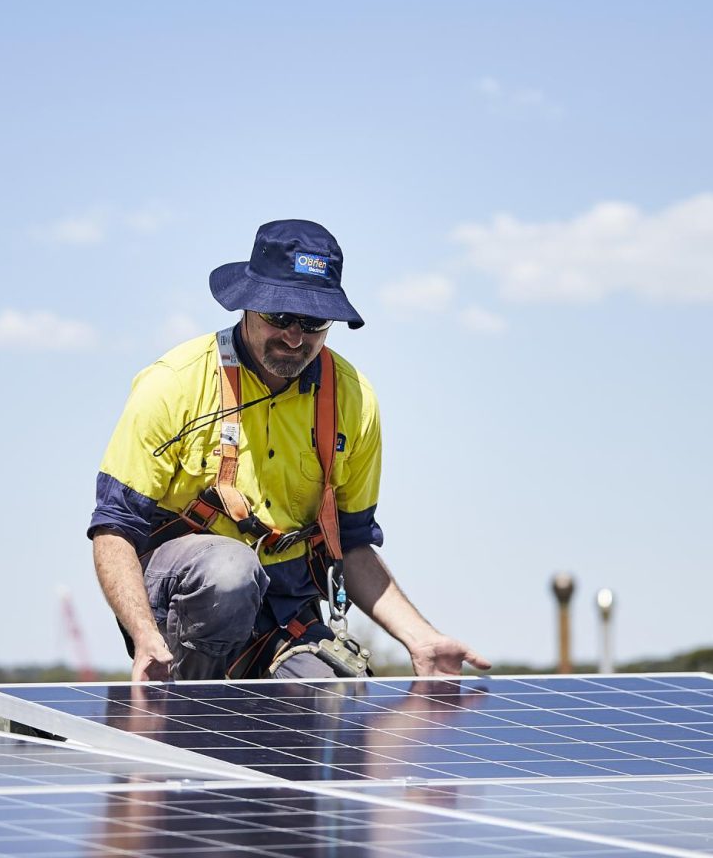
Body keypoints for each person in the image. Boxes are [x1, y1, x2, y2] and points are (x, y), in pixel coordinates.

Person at [88, 218, 489, 682]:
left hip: (285, 611)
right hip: (187, 599)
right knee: (230, 572)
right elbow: (114, 529)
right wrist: (144, 636)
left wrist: (421, 638)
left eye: (313, 322)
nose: (295, 337)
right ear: (247, 305)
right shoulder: (174, 385)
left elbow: (354, 544)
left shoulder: (353, 400)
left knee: (329, 699)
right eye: (279, 317)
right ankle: (186, 705)